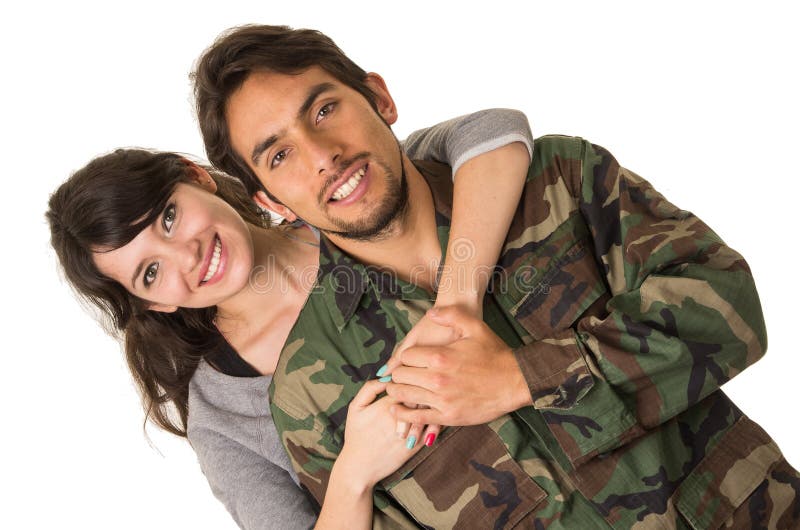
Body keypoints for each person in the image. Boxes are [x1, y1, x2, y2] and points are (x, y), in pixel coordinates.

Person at [193, 24, 800, 528]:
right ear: (270, 201)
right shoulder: (310, 389)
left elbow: (730, 305)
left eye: (325, 109)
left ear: (380, 98)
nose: (321, 153)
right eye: (279, 155)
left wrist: (518, 377)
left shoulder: (556, 182)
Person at [46, 110, 535, 529]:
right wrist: (353, 473)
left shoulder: (344, 206)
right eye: (151, 273)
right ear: (153, 304)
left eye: (168, 219)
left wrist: (456, 301)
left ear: (195, 175)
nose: (187, 255)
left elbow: (494, 130)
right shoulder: (223, 416)